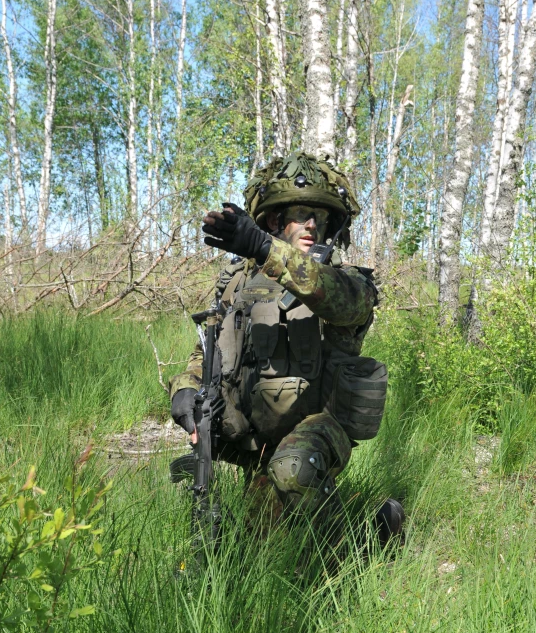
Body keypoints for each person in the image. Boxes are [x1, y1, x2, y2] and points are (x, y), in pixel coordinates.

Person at [169, 152, 402, 548]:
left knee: (292, 472)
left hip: (317, 427)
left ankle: (367, 545)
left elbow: (333, 297)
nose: (312, 224)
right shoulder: (237, 283)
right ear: (276, 220)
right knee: (264, 543)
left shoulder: (345, 282)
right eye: (299, 213)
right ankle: (356, 526)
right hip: (253, 431)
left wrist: (265, 249)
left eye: (321, 217)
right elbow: (205, 353)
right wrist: (185, 389)